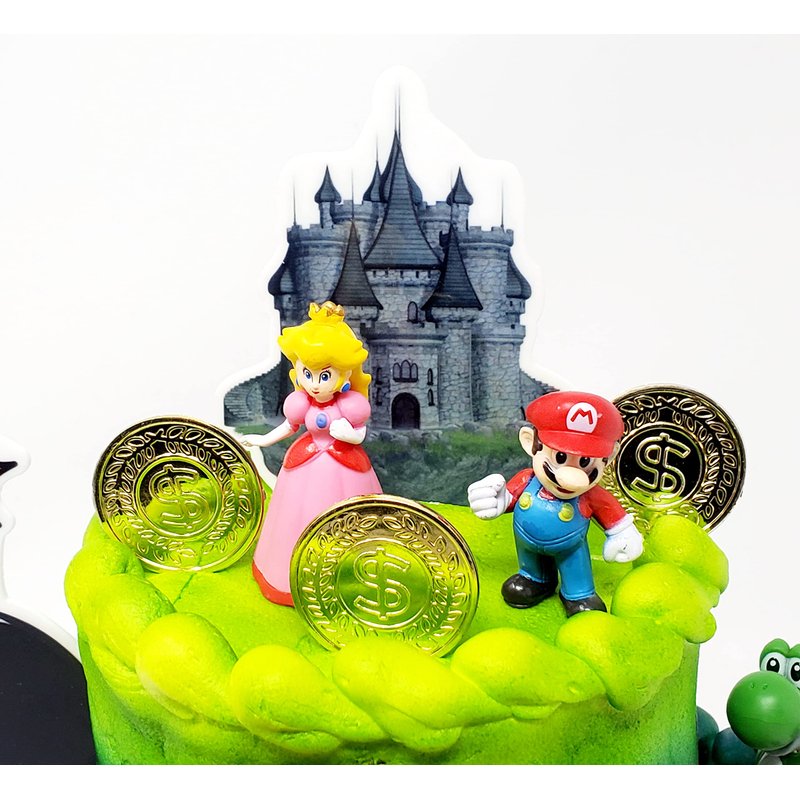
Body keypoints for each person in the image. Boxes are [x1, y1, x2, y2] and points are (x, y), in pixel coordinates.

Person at [243, 301, 381, 606]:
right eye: (308, 373)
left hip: (343, 467)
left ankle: (350, 581)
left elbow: (359, 433)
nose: (315, 384)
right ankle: (285, 576)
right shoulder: (301, 403)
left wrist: (348, 435)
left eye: (325, 376)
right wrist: (263, 440)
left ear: (345, 373)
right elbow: (288, 426)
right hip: (304, 463)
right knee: (293, 517)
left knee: (347, 521)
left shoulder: (350, 405)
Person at [467, 391, 643, 616]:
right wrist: (495, 500)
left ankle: (578, 593)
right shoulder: (527, 479)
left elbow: (613, 516)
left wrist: (623, 534)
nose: (571, 477)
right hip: (527, 544)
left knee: (575, 568)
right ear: (531, 443)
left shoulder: (591, 495)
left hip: (570, 548)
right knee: (531, 566)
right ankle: (535, 579)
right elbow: (509, 497)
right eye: (560, 458)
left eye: (585, 462)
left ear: (609, 458)